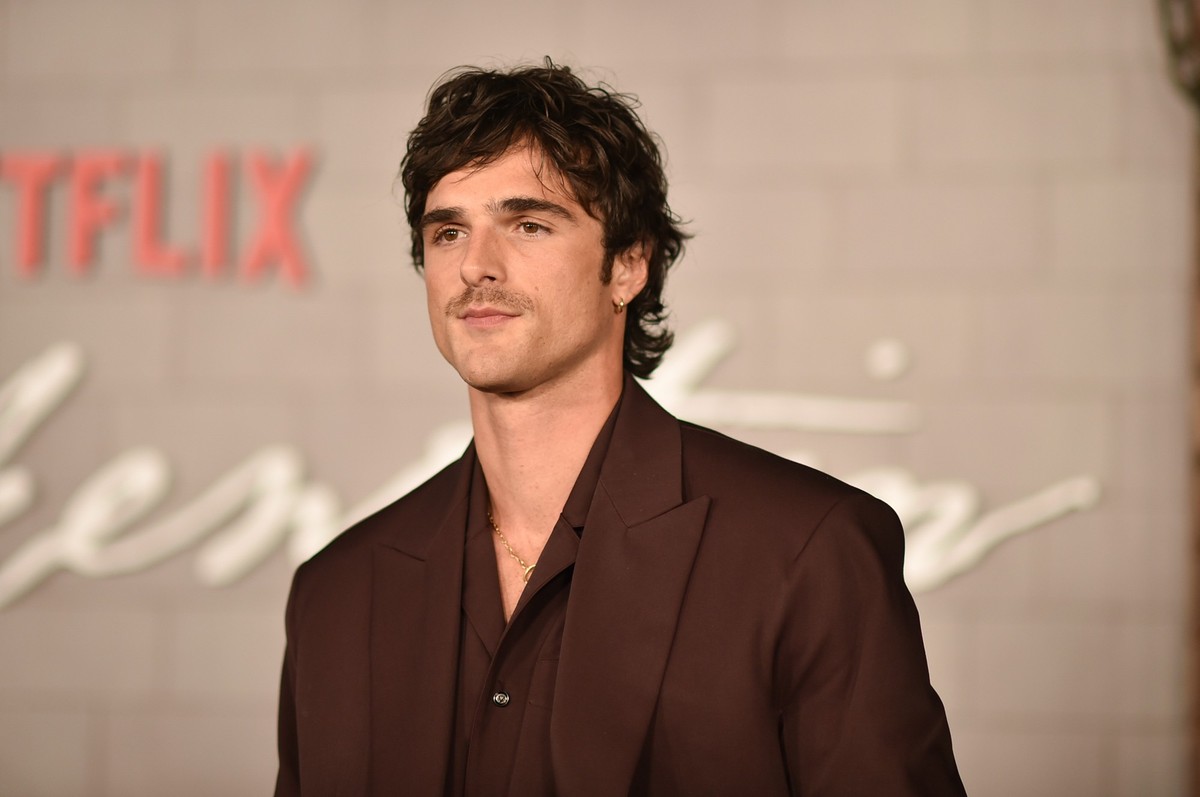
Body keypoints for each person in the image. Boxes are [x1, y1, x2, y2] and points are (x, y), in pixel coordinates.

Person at [274, 60, 966, 796]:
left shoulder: (807, 551)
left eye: (528, 223)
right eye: (448, 232)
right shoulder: (336, 595)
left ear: (629, 264)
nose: (476, 264)